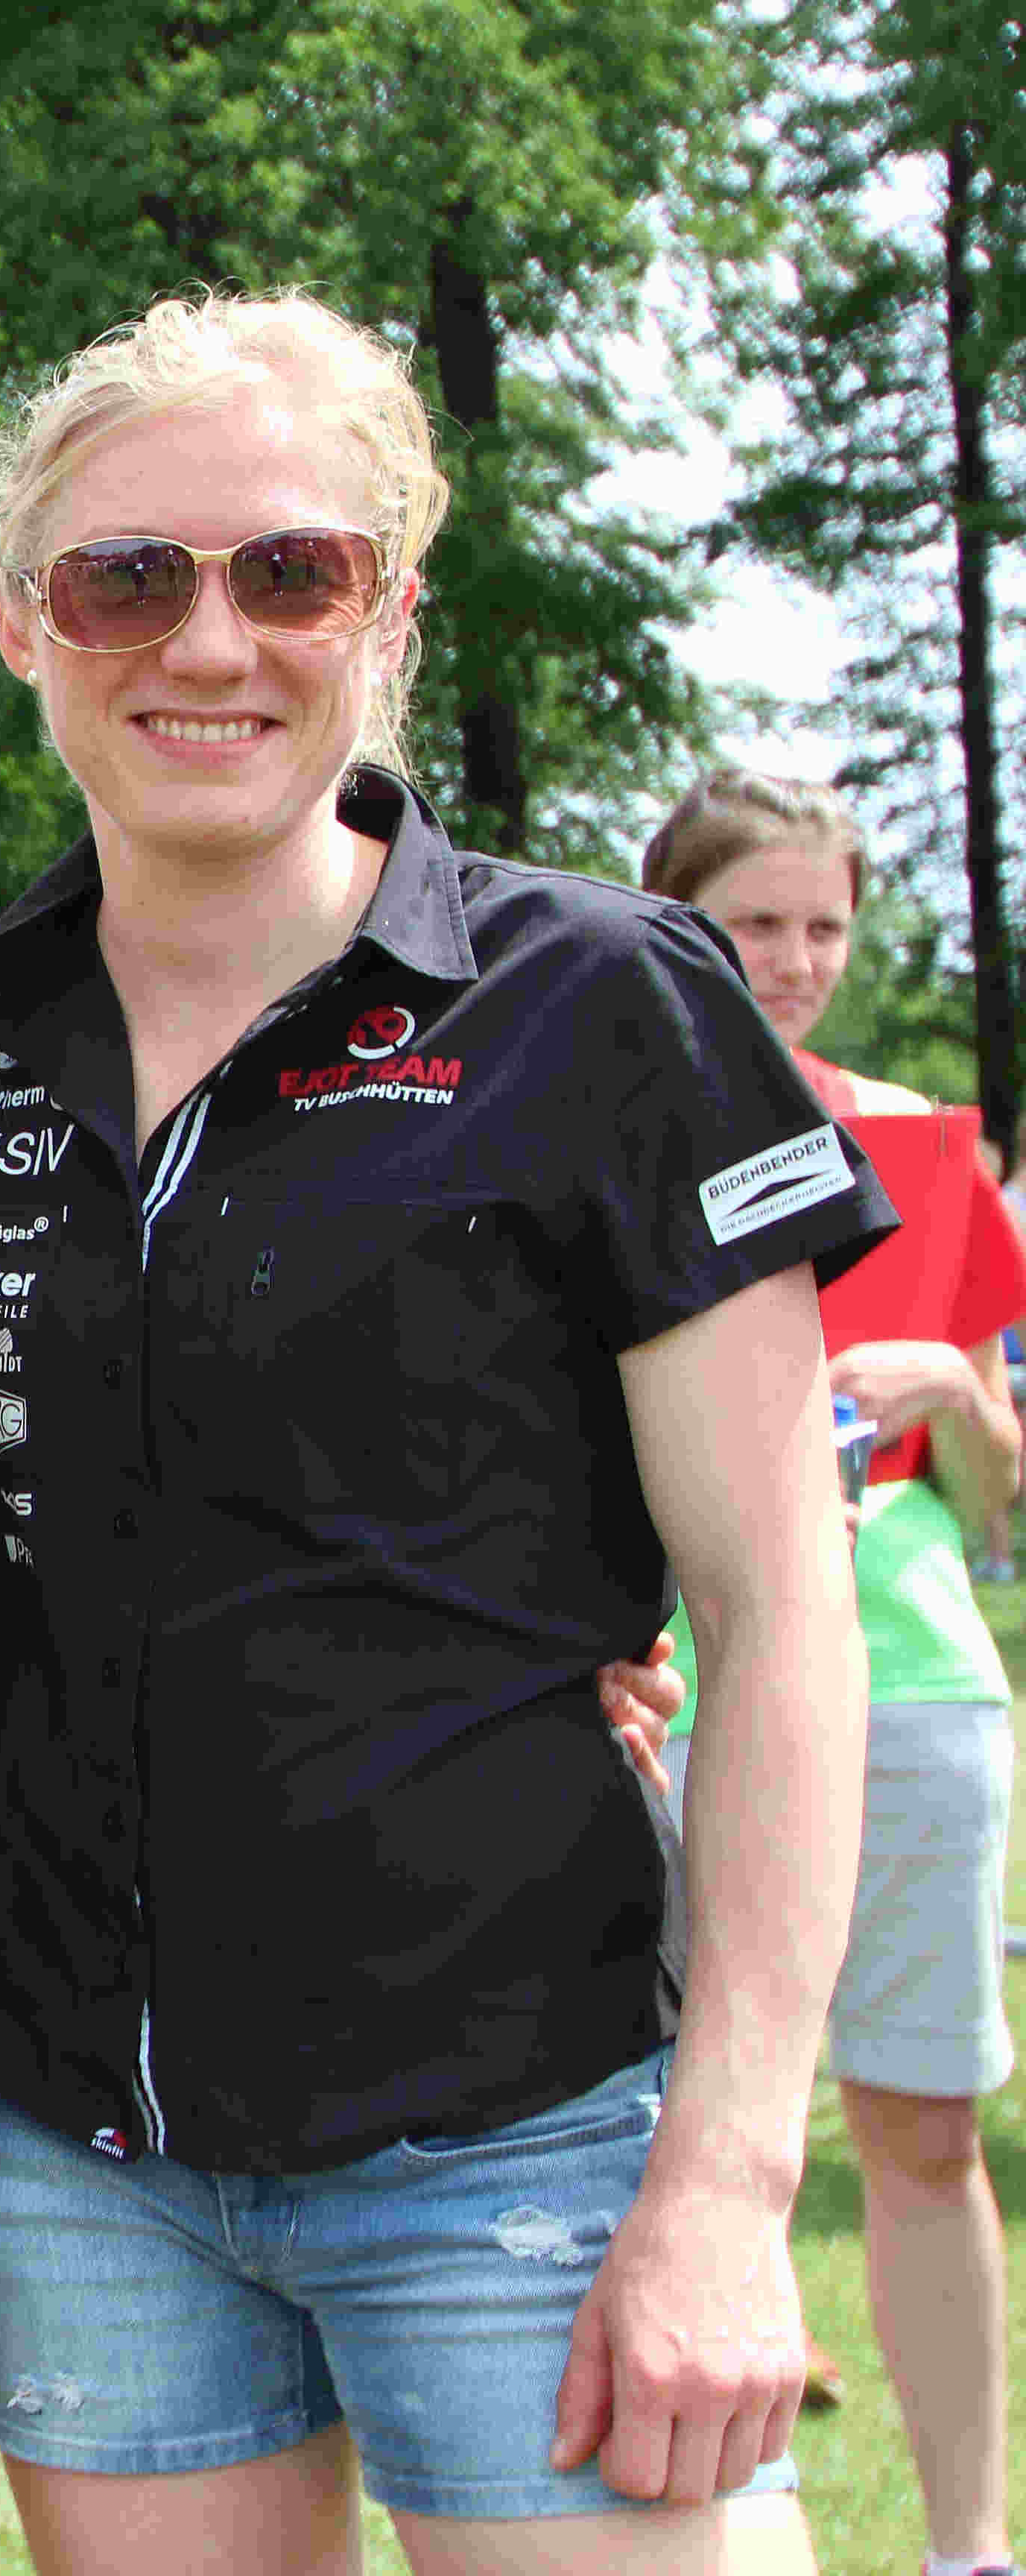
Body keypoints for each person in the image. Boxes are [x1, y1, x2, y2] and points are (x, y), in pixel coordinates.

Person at [0, 288, 887, 2575]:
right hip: (87, 2150)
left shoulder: (600, 998)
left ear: (393, 612)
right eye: (126, 577)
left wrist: (733, 2185)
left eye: (291, 572)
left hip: (524, 2133)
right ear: (29, 625)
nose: (206, 640)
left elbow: (780, 1612)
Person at [642, 765, 1020, 2576]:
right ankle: (734, 2528)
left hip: (918, 1691)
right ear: (673, 921)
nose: (790, 961)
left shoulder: (934, 1150)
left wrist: (962, 1393)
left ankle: (968, 2548)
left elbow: (1000, 1495)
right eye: (752, 924)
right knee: (685, 2140)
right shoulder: (597, 1121)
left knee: (926, 2137)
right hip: (676, 1699)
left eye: (821, 928)